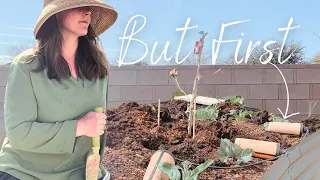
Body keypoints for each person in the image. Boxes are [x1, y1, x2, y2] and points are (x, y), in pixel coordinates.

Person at [0, 0, 118, 180]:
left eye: (89, 8)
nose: (87, 12)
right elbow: (18, 133)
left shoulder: (98, 66)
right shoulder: (26, 67)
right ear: (56, 13)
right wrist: (78, 127)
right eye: (78, 5)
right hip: (26, 173)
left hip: (80, 173)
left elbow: (98, 132)